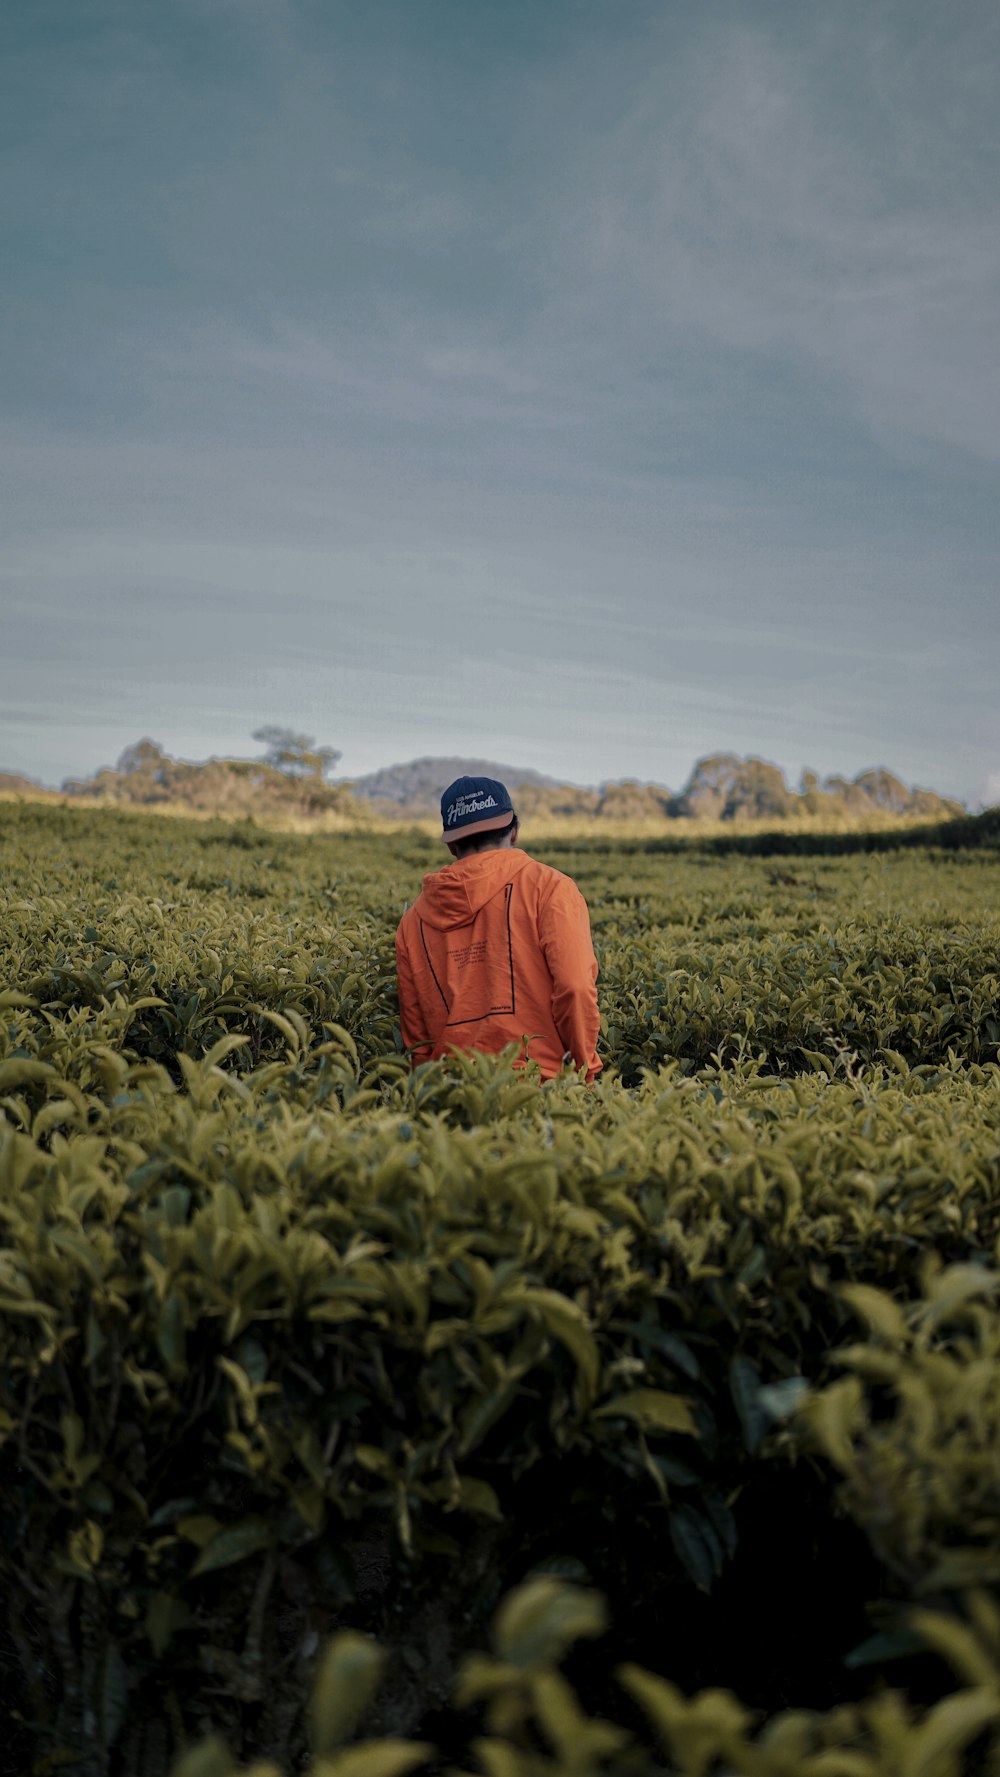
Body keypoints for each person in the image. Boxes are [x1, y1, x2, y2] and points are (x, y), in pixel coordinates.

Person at [394, 774, 602, 1082]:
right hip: (541, 1087)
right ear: (515, 831)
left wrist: (430, 1095)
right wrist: (586, 1071)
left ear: (451, 844)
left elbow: (417, 1035)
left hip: (452, 1090)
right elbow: (575, 988)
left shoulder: (412, 923)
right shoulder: (550, 888)